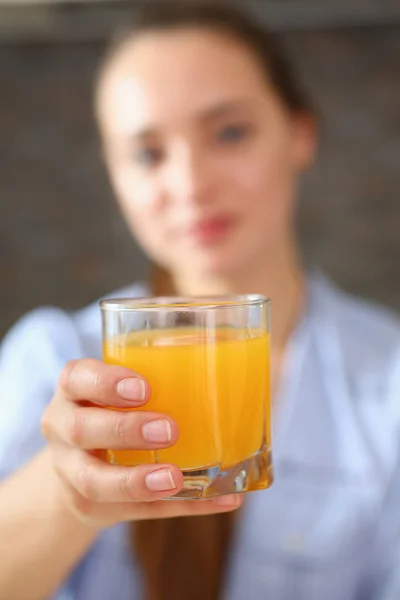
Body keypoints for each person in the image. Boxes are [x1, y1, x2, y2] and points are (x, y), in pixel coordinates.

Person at [1, 2, 400, 599]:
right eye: (147, 153)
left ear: (300, 135)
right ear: (113, 174)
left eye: (229, 133)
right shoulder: (53, 357)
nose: (190, 185)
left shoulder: (388, 379)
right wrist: (66, 496)